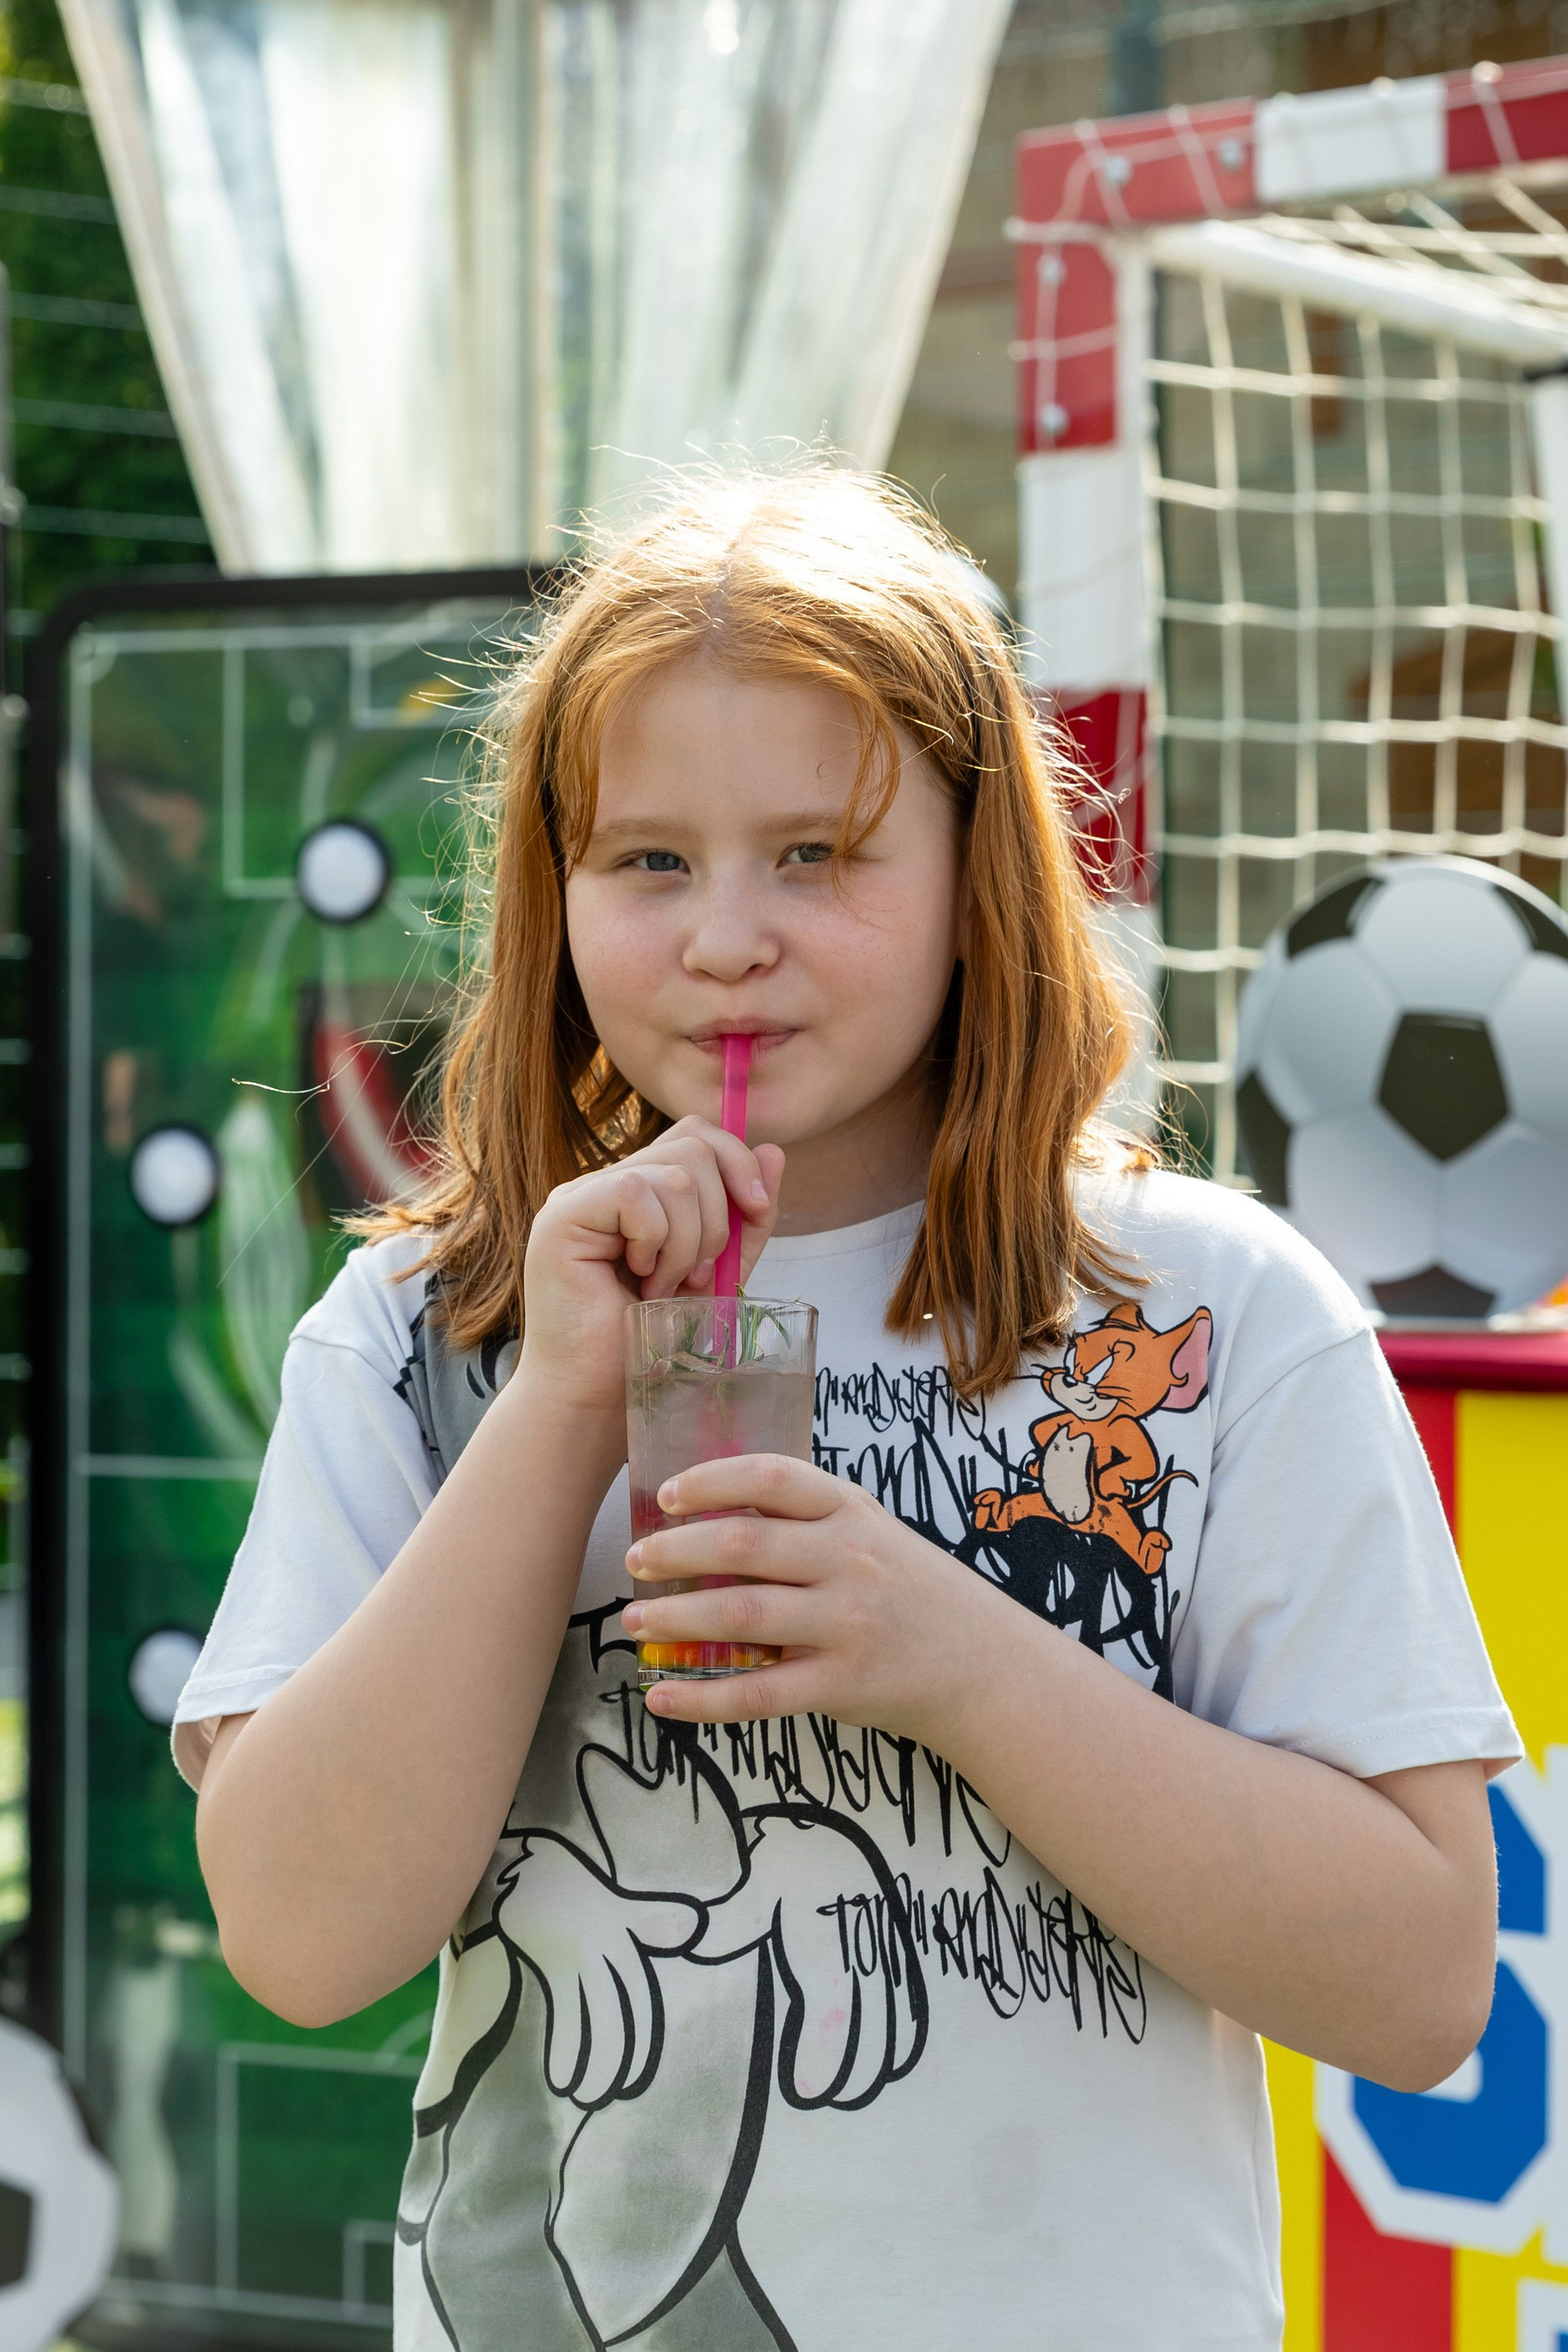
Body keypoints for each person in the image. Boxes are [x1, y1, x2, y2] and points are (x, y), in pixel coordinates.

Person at [174, 469, 1516, 2352]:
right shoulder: (420, 1325)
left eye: (816, 854)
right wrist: (561, 1394)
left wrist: (959, 1661)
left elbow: (1419, 1981)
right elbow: (301, 1942)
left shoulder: (1209, 1315)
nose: (728, 935)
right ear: (550, 893)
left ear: (980, 880)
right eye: (648, 860)